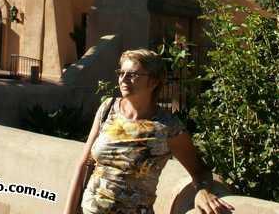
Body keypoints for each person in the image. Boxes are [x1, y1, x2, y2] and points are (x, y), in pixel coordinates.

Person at [63, 49, 235, 214]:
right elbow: (85, 163)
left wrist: (202, 191)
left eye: (132, 75)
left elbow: (200, 171)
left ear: (153, 82)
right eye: (121, 73)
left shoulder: (168, 127)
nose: (123, 79)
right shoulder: (108, 108)